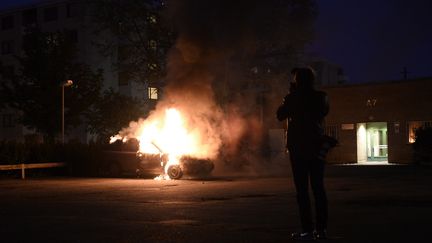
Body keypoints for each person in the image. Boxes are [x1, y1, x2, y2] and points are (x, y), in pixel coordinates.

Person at [276, 67, 329, 241]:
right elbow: (323, 112)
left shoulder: (293, 98)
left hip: (298, 148)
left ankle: (307, 230)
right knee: (318, 188)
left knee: (302, 191)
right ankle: (321, 230)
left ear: (297, 81)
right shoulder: (321, 97)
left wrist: (291, 96)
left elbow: (280, 114)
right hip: (316, 146)